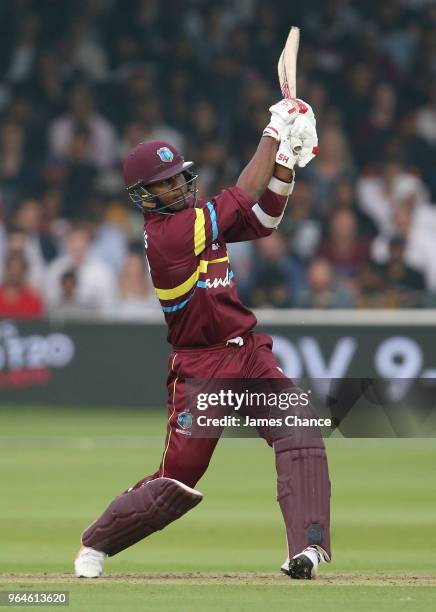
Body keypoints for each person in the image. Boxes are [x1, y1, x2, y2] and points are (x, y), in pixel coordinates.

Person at [74, 98, 331, 580]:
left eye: (177, 178)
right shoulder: (169, 234)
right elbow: (244, 189)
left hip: (248, 351)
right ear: (143, 195)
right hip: (200, 368)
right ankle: (97, 541)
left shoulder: (196, 220)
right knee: (178, 481)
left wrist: (287, 163)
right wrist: (274, 129)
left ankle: (307, 550)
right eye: (163, 183)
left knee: (300, 433)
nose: (175, 187)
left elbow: (264, 219)